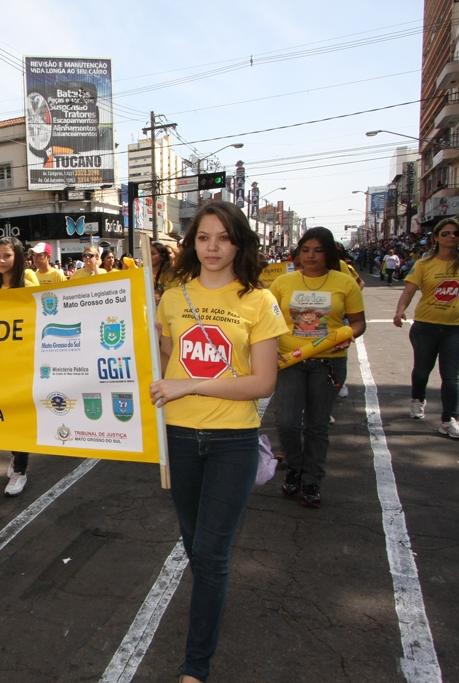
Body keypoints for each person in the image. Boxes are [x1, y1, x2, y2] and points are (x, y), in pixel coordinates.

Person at [150, 201, 286, 683]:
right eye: (203, 237)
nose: (212, 247)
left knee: (210, 554)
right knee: (197, 549)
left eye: (222, 238)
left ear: (238, 243)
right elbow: (165, 358)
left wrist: (189, 385)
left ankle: (195, 667)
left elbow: (262, 382)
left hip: (233, 441)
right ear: (192, 244)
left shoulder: (259, 301)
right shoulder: (171, 297)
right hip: (180, 439)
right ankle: (212, 600)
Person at [271, 228, 366, 508]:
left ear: (329, 253)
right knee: (286, 422)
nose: (311, 256)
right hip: (290, 361)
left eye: (318, 250)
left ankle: (311, 480)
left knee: (317, 426)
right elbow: (268, 320)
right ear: (298, 253)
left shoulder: (344, 282)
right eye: (305, 250)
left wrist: (346, 335)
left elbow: (359, 323)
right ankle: (295, 468)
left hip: (329, 364)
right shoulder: (282, 283)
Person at [394, 218, 459, 439]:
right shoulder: (424, 264)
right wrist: (400, 310)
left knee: (451, 376)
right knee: (422, 369)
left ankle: (449, 419)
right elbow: (409, 291)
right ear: (436, 238)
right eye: (445, 233)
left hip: (457, 329)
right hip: (426, 326)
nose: (451, 237)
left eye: (456, 233)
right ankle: (417, 398)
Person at [0, 236, 39, 495]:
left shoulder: (27, 280)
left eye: (7, 256)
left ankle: (20, 470)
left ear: (17, 256)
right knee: (3, 415)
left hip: (23, 359)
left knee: (18, 417)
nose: (2, 261)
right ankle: (15, 455)